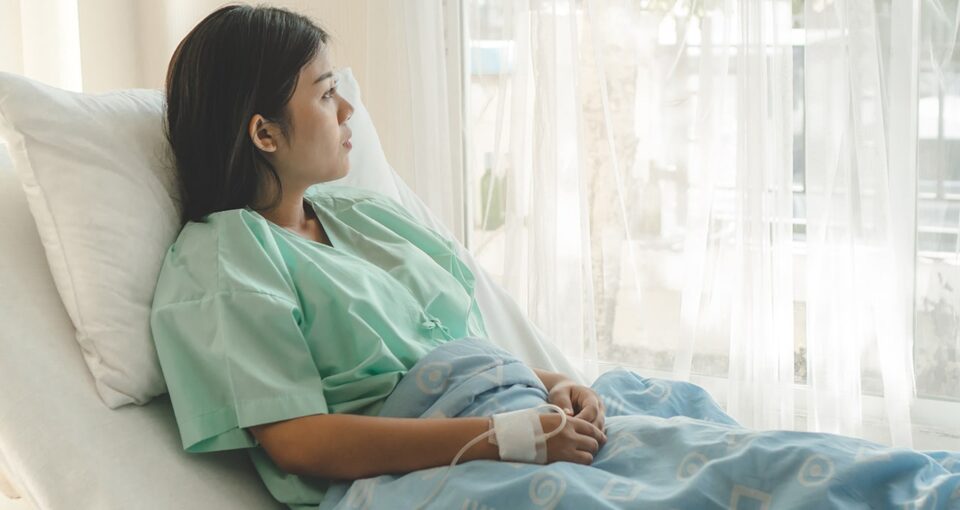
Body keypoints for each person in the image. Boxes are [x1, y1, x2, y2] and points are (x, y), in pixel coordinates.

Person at [150, 4, 606, 508]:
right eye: (326, 94)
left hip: (521, 419)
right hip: (434, 475)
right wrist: (512, 439)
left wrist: (556, 383)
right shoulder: (225, 261)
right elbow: (299, 441)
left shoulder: (366, 214)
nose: (347, 110)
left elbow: (451, 355)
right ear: (265, 134)